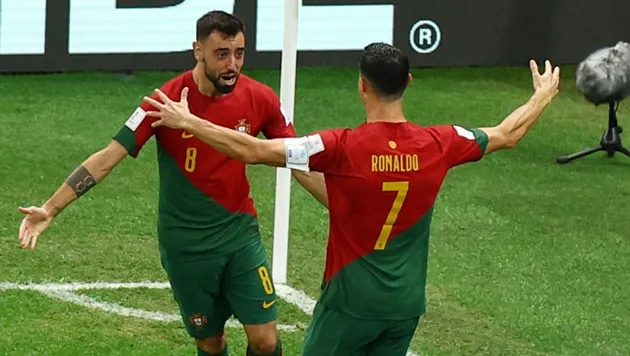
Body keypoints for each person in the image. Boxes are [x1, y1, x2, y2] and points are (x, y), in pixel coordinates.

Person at [140, 43, 561, 355]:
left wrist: (190, 121)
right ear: (408, 83)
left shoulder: (338, 147)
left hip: (349, 301)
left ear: (361, 86)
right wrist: (540, 96)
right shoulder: (441, 142)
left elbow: (252, 150)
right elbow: (508, 133)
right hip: (405, 306)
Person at [16, 10, 328, 356]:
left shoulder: (261, 98)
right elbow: (106, 159)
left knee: (266, 341)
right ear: (198, 50)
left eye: (239, 53)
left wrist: (344, 208)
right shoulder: (163, 101)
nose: (232, 65)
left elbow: (297, 160)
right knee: (211, 342)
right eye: (221, 54)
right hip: (185, 246)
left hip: (239, 235)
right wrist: (50, 208)